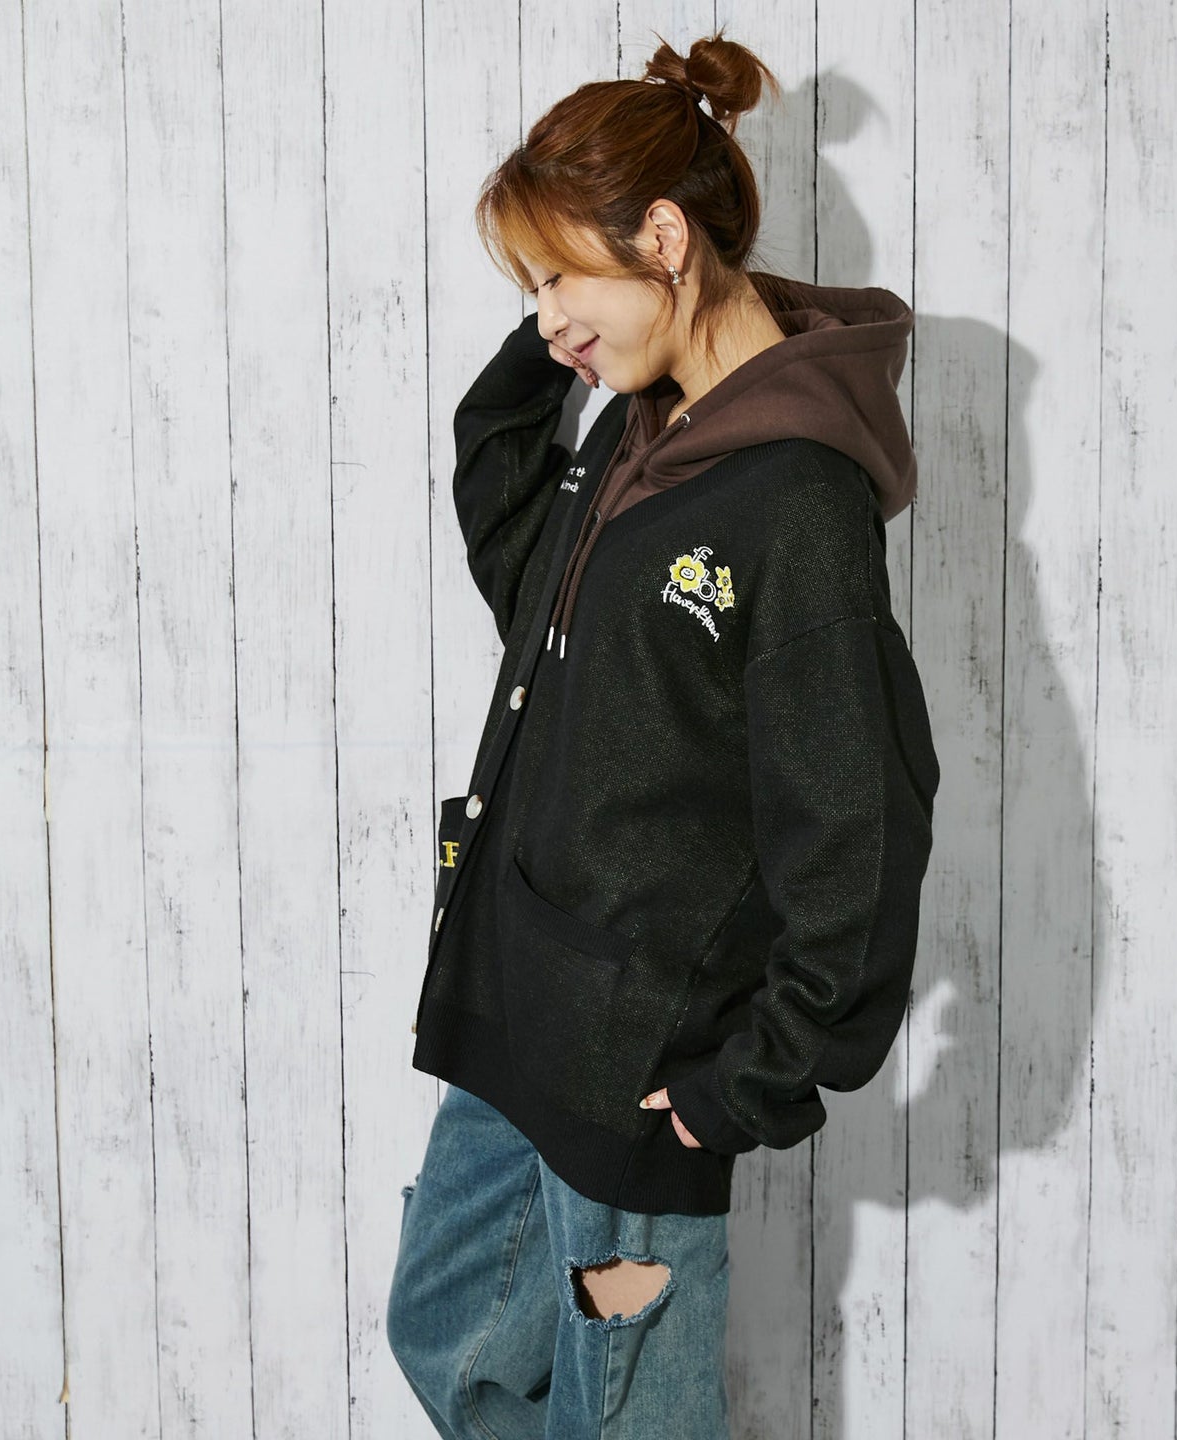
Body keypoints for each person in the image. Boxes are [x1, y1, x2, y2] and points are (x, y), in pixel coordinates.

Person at [388, 28, 940, 1440]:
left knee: (624, 1412)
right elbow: (517, 551)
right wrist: (559, 339)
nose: (548, 323)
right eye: (529, 288)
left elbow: (859, 816)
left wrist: (746, 1079)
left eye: (559, 278)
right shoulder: (634, 428)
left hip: (642, 1078)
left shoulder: (796, 499)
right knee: (447, 1332)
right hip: (521, 1013)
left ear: (666, 238)